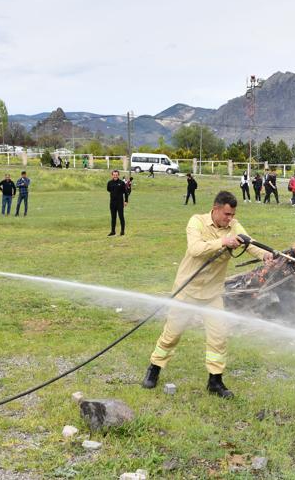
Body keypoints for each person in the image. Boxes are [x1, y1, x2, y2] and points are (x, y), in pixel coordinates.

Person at [141, 191, 272, 398]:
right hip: (187, 290)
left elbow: (249, 243)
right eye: (227, 214)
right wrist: (223, 242)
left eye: (232, 215)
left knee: (218, 337)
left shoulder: (234, 226)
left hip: (212, 294)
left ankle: (215, 381)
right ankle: (154, 369)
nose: (230, 219)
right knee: (171, 334)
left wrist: (265, 255)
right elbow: (195, 249)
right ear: (216, 208)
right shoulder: (197, 222)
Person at [107, 170, 128, 236]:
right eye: (114, 175)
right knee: (113, 218)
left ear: (118, 175)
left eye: (116, 175)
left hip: (120, 203)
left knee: (121, 217)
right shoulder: (109, 183)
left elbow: (126, 192)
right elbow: (109, 190)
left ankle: (122, 231)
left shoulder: (121, 183)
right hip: (112, 203)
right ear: (112, 175)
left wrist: (126, 201)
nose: (115, 176)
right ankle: (113, 231)